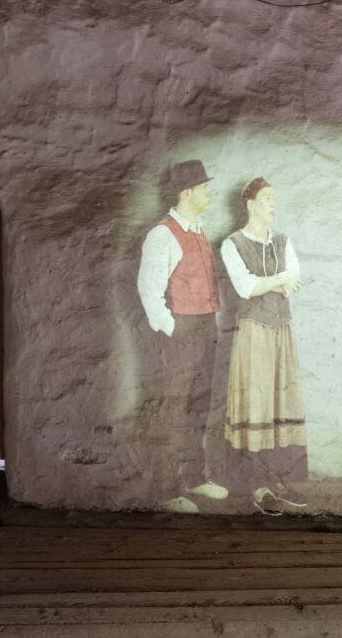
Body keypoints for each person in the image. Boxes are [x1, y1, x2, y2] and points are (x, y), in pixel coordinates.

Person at [136, 159, 229, 514]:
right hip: (181, 332)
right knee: (174, 408)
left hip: (205, 327)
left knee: (199, 405)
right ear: (187, 192)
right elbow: (149, 291)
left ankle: (194, 477)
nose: (210, 192)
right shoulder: (162, 234)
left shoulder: (197, 229)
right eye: (205, 188)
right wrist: (173, 329)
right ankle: (166, 488)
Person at [220, 178, 308, 513]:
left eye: (274, 198)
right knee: (256, 403)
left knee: (278, 401)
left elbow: (294, 279)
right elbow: (245, 287)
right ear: (250, 204)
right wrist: (277, 281)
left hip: (281, 330)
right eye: (267, 198)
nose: (273, 204)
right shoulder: (232, 244)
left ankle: (278, 479)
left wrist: (272, 283)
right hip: (253, 332)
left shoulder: (283, 241)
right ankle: (258, 485)